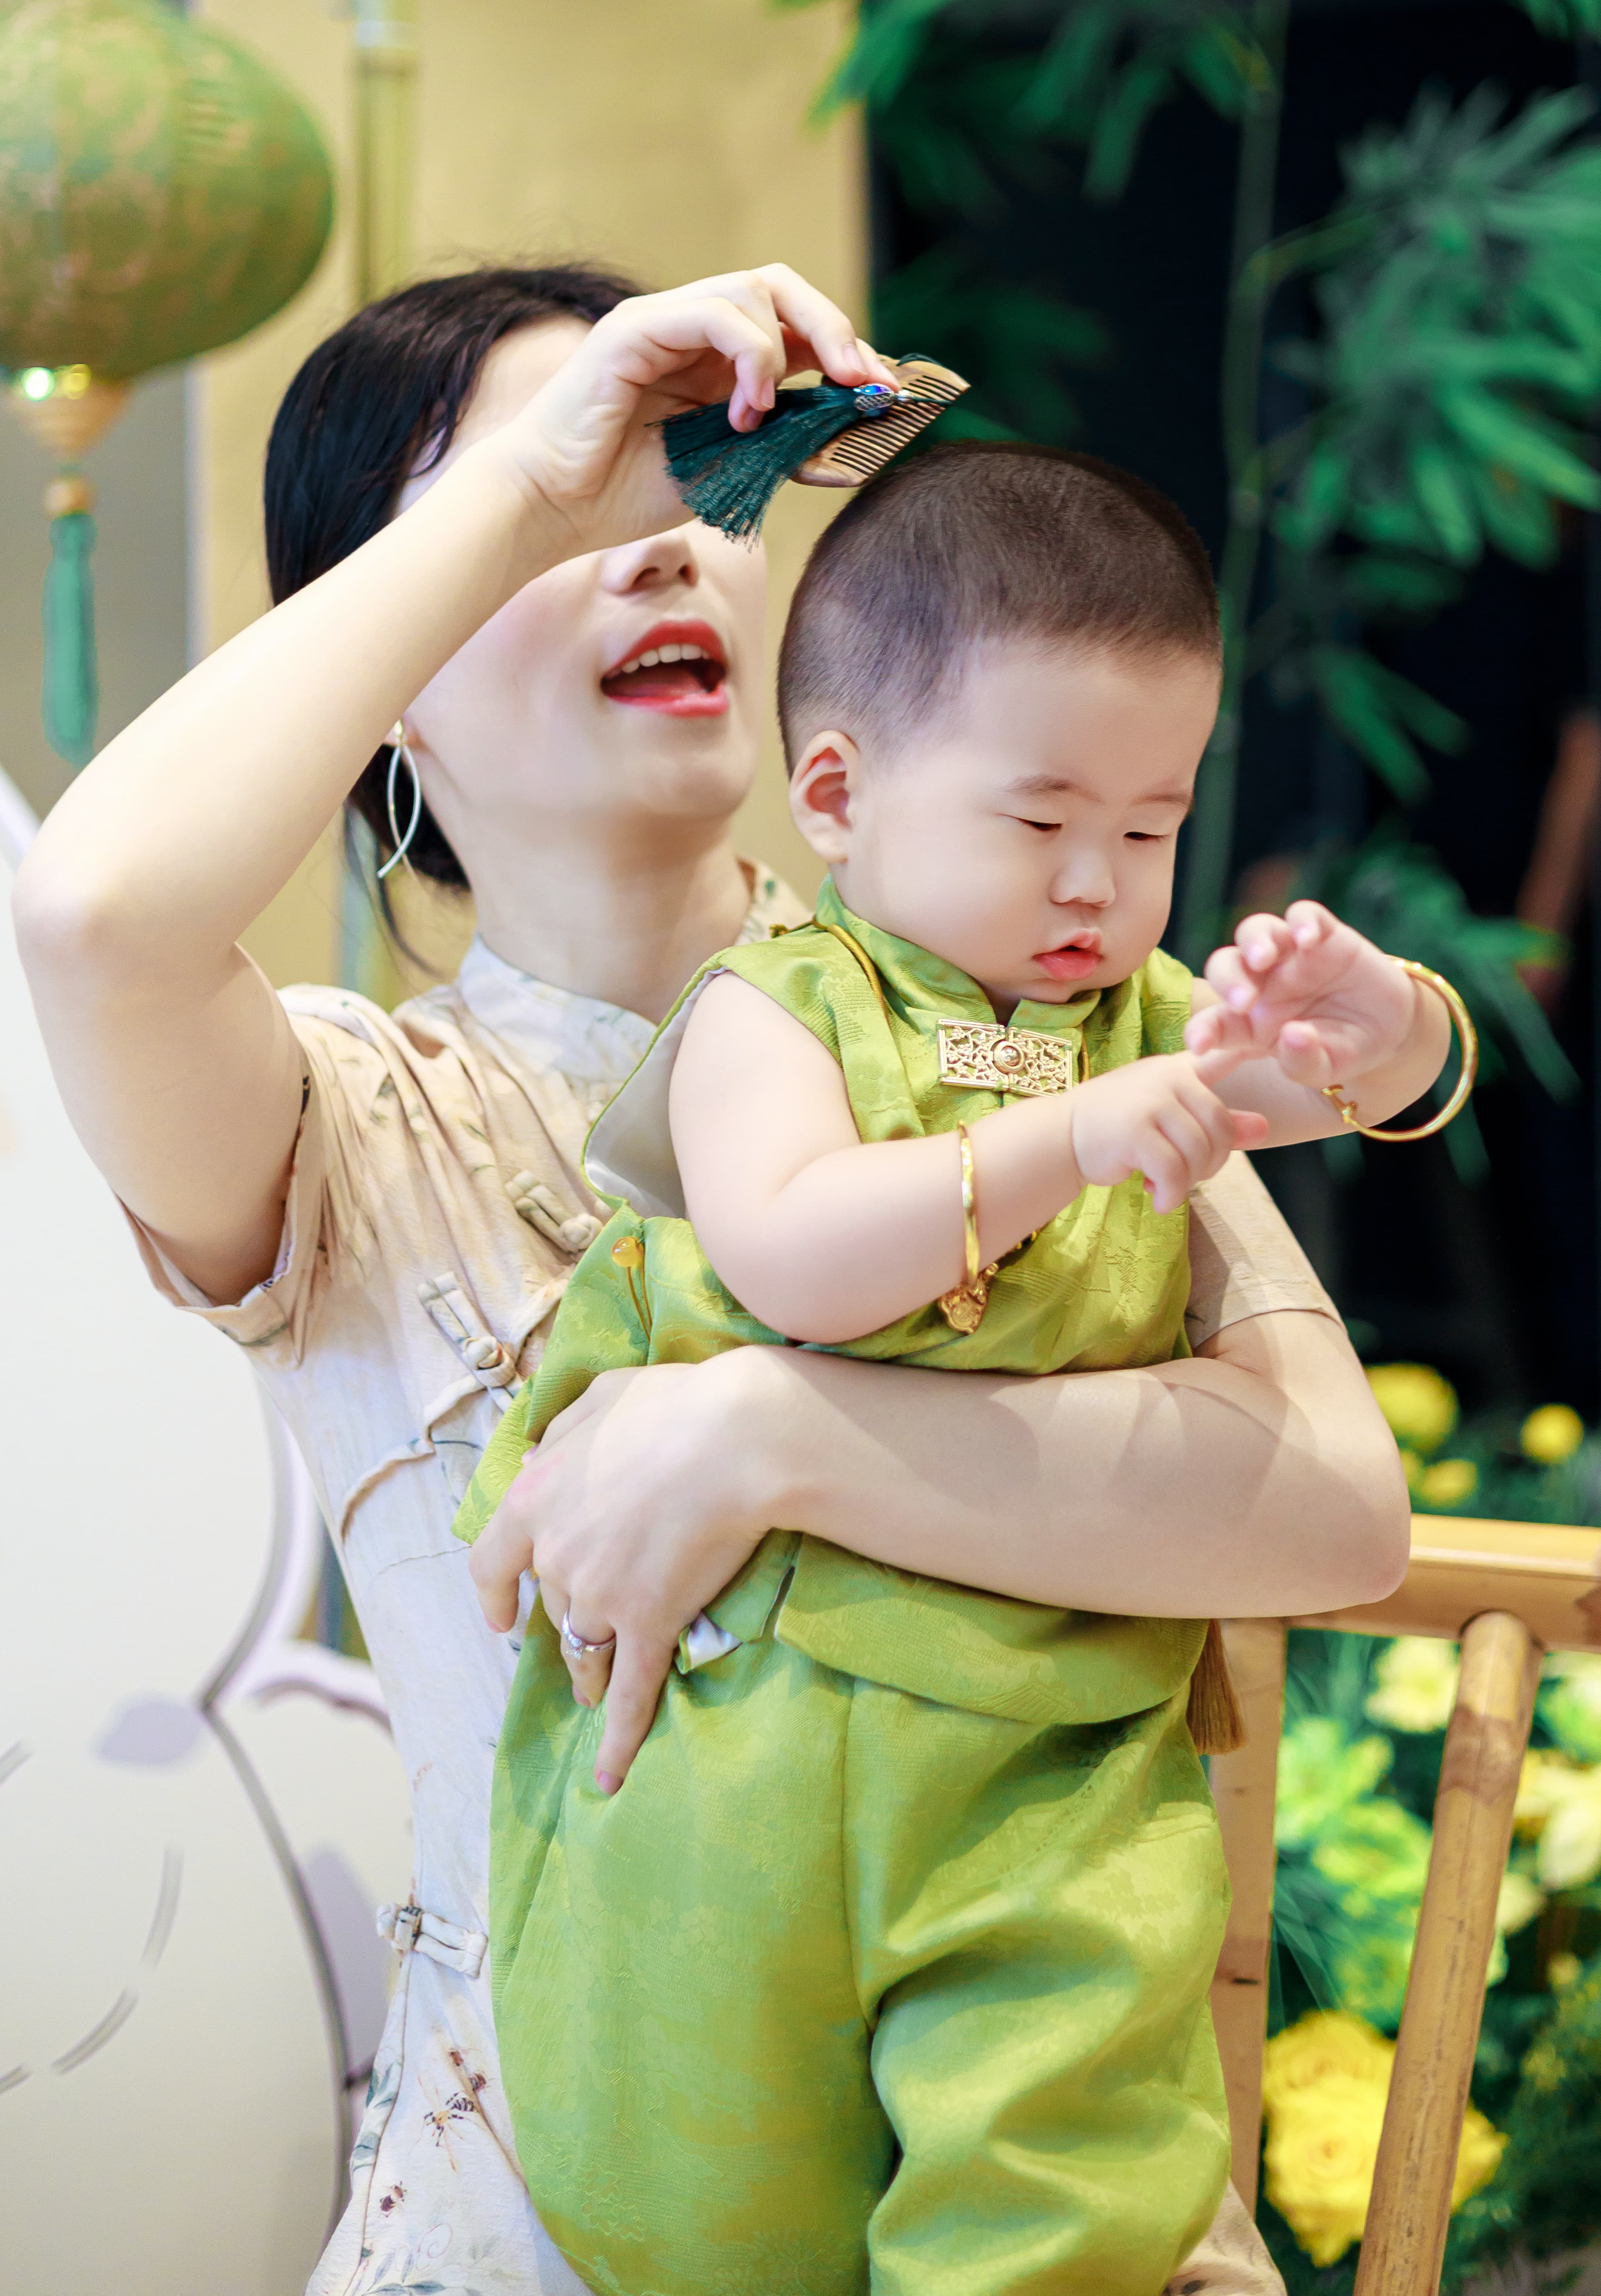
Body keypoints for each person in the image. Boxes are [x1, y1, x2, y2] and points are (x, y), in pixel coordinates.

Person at [13, 261, 1409, 2296]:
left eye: (690, 490)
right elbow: (93, 915)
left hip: (1067, 2211)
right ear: (378, 663)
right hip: (547, 2219)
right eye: (559, 509)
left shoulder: (1042, 1005)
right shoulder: (347, 1119)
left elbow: (1335, 1506)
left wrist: (770, 1427)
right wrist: (534, 488)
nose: (655, 543)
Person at [457, 443, 1443, 2296]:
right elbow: (795, 1254)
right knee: (702, 2160)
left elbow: (1317, 1092)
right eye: (1040, 817)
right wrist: (1068, 1139)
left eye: (1149, 829)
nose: (1095, 884)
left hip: (1052, 1758)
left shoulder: (1138, 1024)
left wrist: (1382, 1029)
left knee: (1058, 2163)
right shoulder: (778, 1008)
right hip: (749, 1733)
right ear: (837, 793)